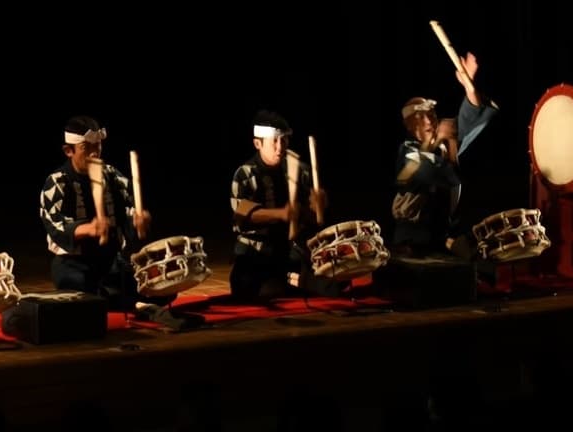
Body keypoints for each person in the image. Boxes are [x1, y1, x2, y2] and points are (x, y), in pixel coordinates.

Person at [39, 115, 200, 330]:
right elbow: (55, 225)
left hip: (111, 262)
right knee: (79, 294)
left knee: (161, 289)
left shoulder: (111, 175)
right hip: (74, 264)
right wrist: (89, 229)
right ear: (69, 151)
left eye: (98, 146)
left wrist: (138, 219)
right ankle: (120, 301)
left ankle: (118, 299)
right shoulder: (57, 182)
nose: (94, 153)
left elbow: (128, 209)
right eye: (86, 148)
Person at [390, 51, 498, 260]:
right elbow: (437, 172)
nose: (429, 121)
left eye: (431, 115)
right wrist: (444, 142)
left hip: (442, 235)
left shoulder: (444, 144)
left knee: (481, 261)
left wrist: (469, 86)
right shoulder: (407, 153)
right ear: (410, 126)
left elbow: (470, 117)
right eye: (420, 118)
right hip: (413, 239)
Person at [228, 111, 344, 302]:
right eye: (274, 141)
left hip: (289, 250)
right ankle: (290, 281)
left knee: (335, 284)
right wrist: (281, 214)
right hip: (256, 252)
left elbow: (314, 219)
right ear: (258, 144)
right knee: (256, 290)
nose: (280, 147)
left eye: (284, 140)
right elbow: (242, 215)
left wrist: (319, 206)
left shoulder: (300, 170)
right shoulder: (246, 174)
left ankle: (293, 280)